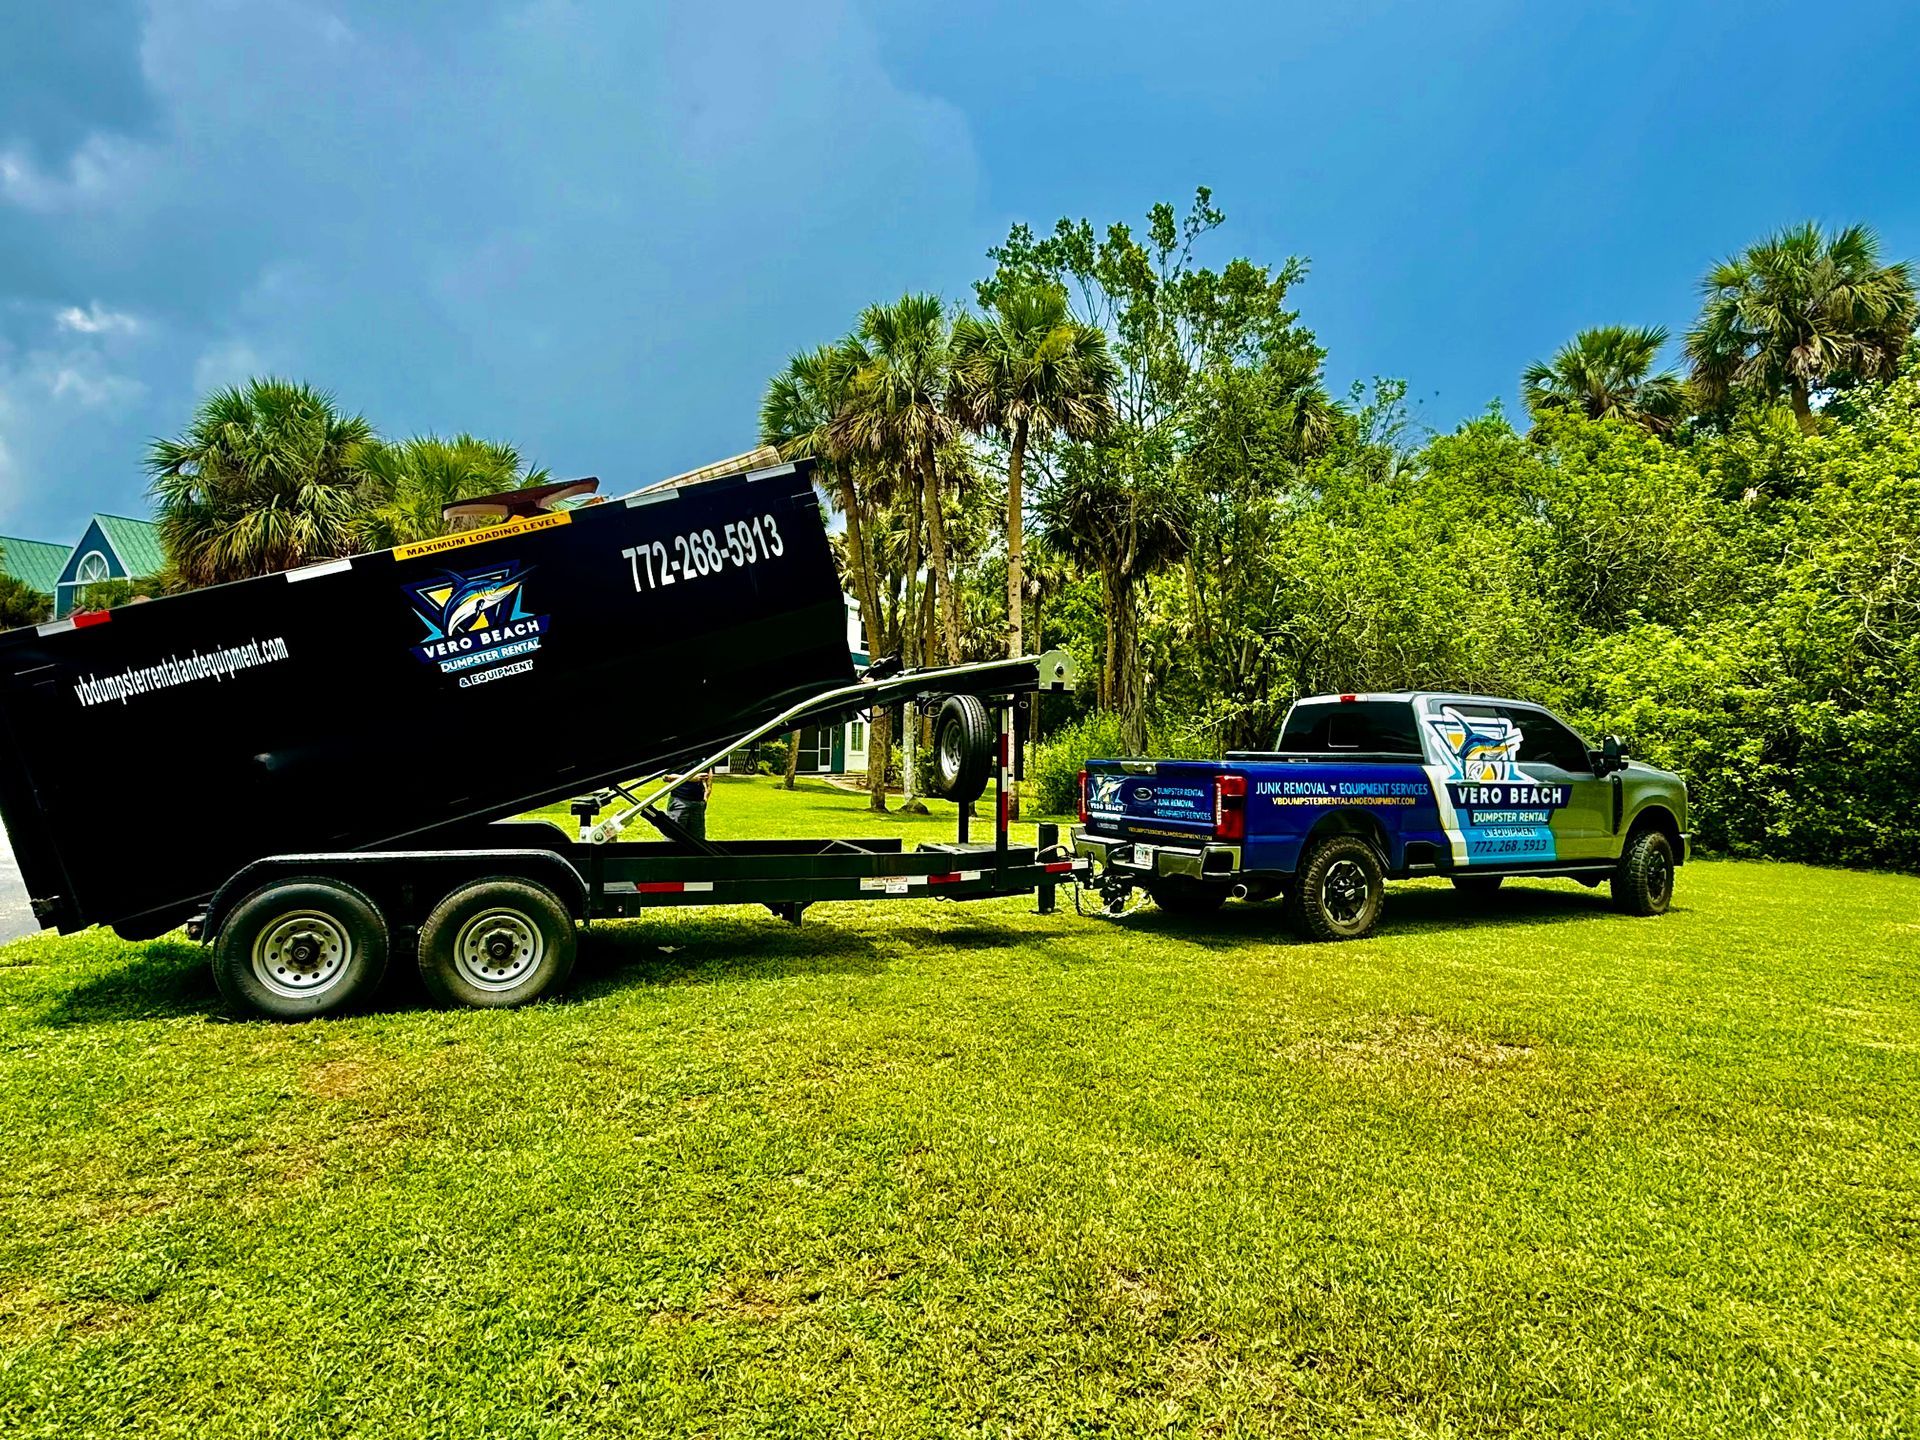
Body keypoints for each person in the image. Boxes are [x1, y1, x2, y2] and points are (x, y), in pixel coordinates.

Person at [665, 770, 713, 840]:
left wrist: (707, 794)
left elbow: (708, 774)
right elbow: (666, 777)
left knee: (697, 840)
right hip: (679, 802)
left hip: (698, 804)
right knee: (674, 836)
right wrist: (690, 778)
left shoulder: (702, 762)